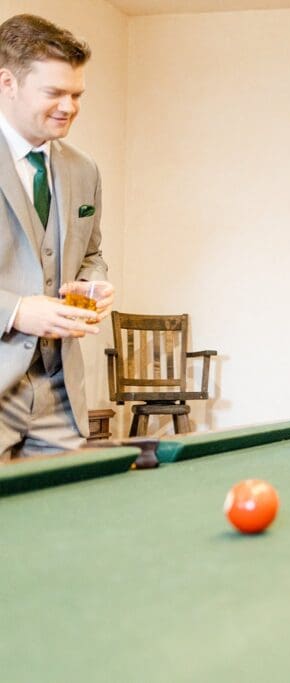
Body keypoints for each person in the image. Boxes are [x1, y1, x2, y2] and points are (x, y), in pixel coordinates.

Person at [0, 14, 115, 459]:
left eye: (76, 94)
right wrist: (16, 311)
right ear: (7, 82)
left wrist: (93, 281)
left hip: (61, 397)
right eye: (54, 93)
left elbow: (92, 252)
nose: (69, 107)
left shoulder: (84, 169)